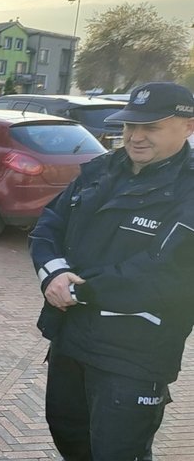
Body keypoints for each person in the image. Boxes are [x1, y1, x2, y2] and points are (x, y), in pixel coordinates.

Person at [29, 81, 194, 460]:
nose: (135, 137)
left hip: (134, 354)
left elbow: (168, 272)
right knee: (68, 433)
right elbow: (49, 224)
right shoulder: (102, 170)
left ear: (189, 126)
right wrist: (53, 274)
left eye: (150, 128)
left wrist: (79, 291)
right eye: (129, 126)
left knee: (118, 451)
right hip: (71, 337)